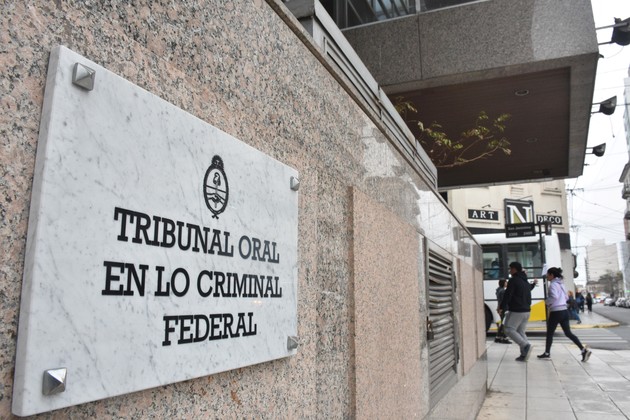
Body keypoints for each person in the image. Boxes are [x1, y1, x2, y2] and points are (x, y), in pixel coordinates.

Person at [537, 267, 591, 362]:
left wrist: (547, 302)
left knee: (550, 333)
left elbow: (554, 296)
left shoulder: (553, 285)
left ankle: (547, 353)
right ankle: (583, 350)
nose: (547, 276)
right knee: (568, 333)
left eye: (548, 274)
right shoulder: (561, 284)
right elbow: (566, 297)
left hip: (556, 312)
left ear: (552, 275)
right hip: (564, 311)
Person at [498, 261, 537, 361]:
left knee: (509, 329)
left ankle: (525, 345)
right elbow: (529, 289)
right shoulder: (525, 280)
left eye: (510, 269)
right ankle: (524, 354)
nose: (509, 271)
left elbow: (508, 294)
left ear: (514, 269)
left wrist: (501, 307)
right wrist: (533, 284)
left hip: (517, 310)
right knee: (520, 331)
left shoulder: (513, 280)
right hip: (527, 310)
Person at [494, 279, 511, 344]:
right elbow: (503, 301)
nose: (507, 283)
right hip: (504, 309)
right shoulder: (503, 291)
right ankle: (504, 338)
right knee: (505, 324)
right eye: (506, 282)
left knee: (503, 323)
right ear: (503, 283)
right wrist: (502, 309)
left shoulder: (498, 290)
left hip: (501, 309)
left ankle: (498, 337)